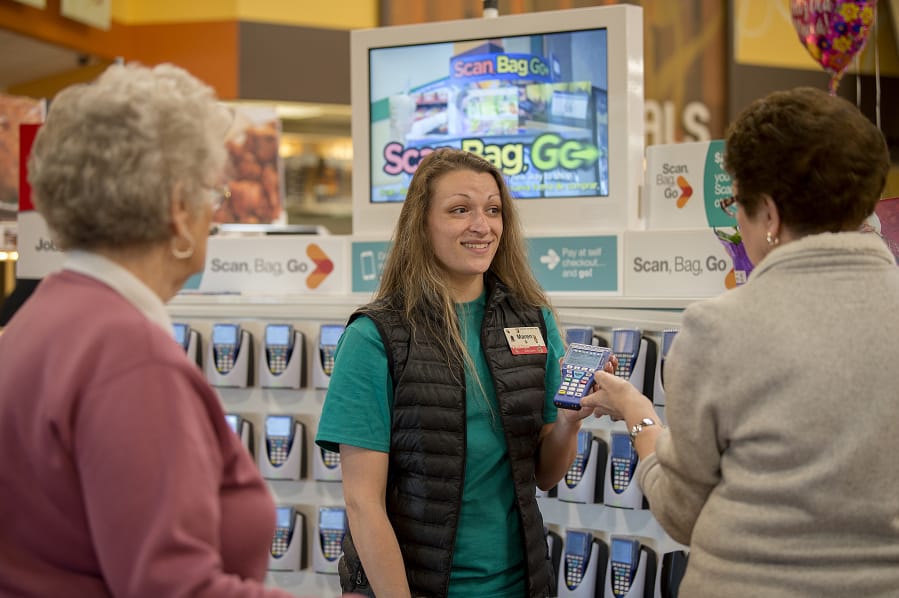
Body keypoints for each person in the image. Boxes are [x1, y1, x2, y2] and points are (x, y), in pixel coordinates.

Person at [583, 86, 899, 597]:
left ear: (769, 215)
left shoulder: (720, 328)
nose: (737, 219)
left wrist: (638, 415)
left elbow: (682, 513)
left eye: (737, 204)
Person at [0, 63, 297, 597]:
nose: (216, 215)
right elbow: (174, 586)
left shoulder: (42, 318)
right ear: (180, 210)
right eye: (214, 194)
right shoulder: (130, 356)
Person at [315, 148, 615, 598]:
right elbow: (363, 504)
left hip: (522, 584)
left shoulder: (532, 321)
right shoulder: (376, 336)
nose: (482, 225)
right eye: (460, 210)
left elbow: (544, 475)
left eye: (493, 210)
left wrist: (569, 423)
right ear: (422, 223)